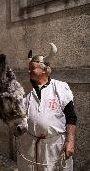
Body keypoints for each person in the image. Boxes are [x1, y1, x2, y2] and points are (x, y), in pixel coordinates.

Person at [17, 43, 77, 171]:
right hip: (30, 145)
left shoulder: (61, 88)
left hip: (54, 146)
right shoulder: (23, 88)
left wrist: (70, 141)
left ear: (44, 70)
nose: (28, 71)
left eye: (32, 68)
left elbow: (71, 117)